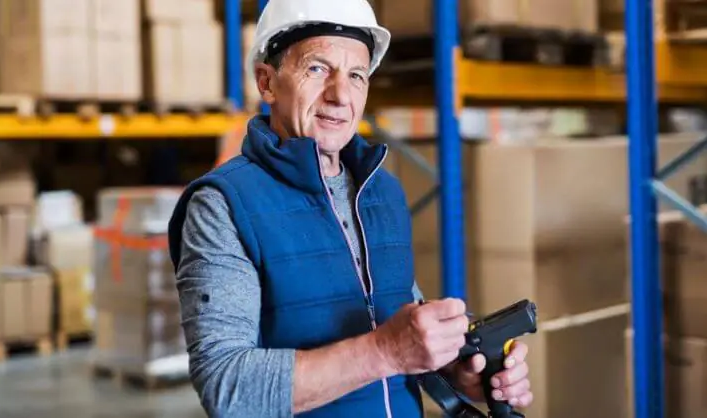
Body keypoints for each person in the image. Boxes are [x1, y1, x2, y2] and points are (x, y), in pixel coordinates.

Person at [167, 0, 533, 416]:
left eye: (357, 75)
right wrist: (387, 351)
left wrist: (459, 373)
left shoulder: (383, 194)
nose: (341, 95)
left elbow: (399, 342)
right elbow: (227, 388)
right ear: (267, 82)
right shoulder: (223, 205)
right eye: (317, 69)